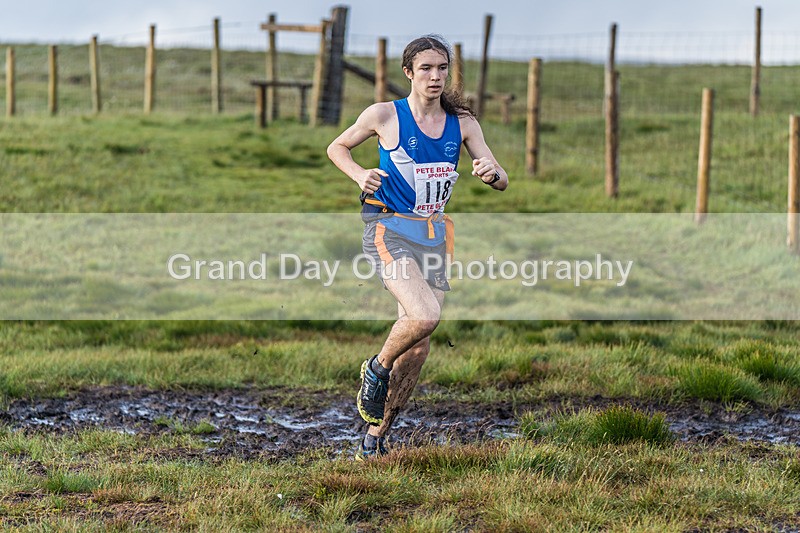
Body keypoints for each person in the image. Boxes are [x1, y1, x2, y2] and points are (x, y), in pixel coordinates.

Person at [326, 34, 508, 459]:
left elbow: (501, 178)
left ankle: (375, 437)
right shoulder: (384, 115)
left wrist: (490, 172)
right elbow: (337, 146)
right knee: (425, 315)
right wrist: (358, 174)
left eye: (442, 68)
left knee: (421, 344)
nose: (435, 76)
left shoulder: (462, 123)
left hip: (434, 235)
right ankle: (377, 367)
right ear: (408, 72)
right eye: (426, 68)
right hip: (388, 229)